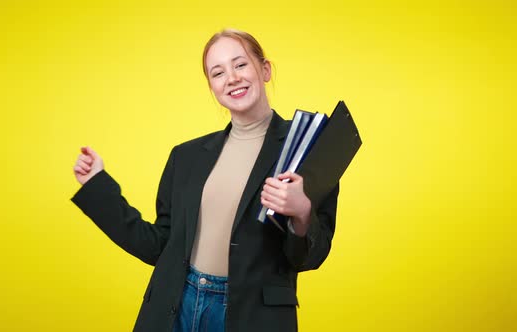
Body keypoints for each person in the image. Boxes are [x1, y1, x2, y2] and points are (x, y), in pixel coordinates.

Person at [71, 28, 339, 332]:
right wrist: (98, 187)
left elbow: (309, 257)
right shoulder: (186, 156)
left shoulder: (305, 147)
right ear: (212, 86)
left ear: (264, 70)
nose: (232, 78)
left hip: (250, 315)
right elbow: (158, 245)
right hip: (177, 306)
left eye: (240, 65)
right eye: (218, 72)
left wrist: (302, 211)